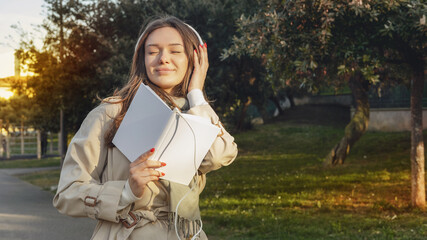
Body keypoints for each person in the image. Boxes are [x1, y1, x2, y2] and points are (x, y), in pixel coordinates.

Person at [53, 16, 238, 240]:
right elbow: (67, 194)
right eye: (152, 51)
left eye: (175, 51)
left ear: (194, 59)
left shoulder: (195, 113)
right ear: (141, 59)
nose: (163, 59)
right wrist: (126, 191)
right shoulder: (110, 114)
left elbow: (219, 156)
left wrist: (197, 93)